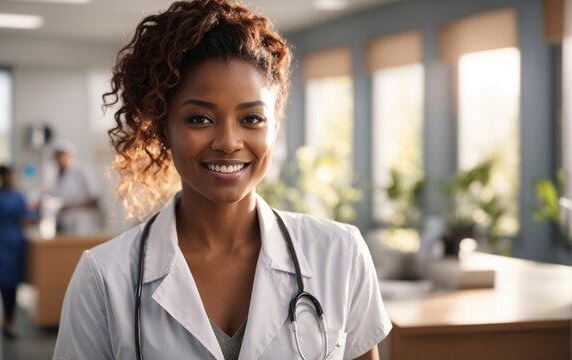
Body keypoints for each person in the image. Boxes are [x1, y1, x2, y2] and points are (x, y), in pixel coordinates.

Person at [54, 0, 391, 359]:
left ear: (275, 126)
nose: (229, 142)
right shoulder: (105, 276)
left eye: (251, 119)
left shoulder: (340, 253)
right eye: (199, 119)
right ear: (163, 129)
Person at [0, 165, 30, 339]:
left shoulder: (20, 196)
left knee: (14, 282)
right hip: (0, 241)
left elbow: (26, 217)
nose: (10, 178)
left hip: (16, 241)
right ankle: (5, 318)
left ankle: (10, 320)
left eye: (12, 175)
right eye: (7, 175)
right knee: (3, 282)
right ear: (1, 177)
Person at [46, 140, 101, 235]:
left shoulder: (83, 172)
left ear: (69, 155)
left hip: (82, 225)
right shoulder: (56, 175)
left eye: (60, 156)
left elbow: (96, 200)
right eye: (56, 157)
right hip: (64, 225)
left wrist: (70, 206)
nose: (57, 160)